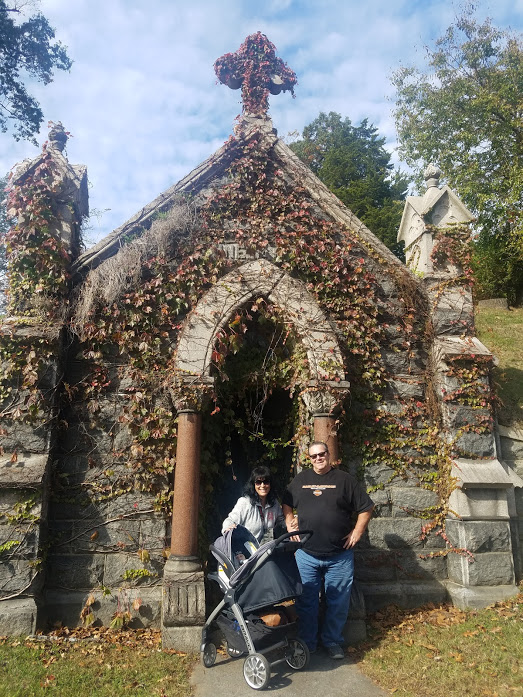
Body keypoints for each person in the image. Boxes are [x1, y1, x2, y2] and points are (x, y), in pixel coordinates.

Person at [282, 441, 374, 660]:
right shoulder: (301, 480)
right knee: (306, 602)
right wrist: (288, 521)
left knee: (338, 602)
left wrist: (357, 532)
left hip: (339, 556)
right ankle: (307, 643)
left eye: (321, 454)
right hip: (306, 554)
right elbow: (286, 501)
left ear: (328, 454)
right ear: (309, 459)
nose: (318, 459)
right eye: (313, 456)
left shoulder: (345, 480)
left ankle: (332, 642)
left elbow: (366, 507)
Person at [222, 465, 284, 544]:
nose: (262, 485)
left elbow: (282, 521)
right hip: (246, 550)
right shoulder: (245, 502)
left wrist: (294, 521)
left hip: (266, 551)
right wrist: (228, 528)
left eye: (266, 482)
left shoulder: (274, 504)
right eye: (258, 482)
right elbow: (230, 520)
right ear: (253, 485)